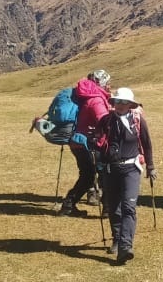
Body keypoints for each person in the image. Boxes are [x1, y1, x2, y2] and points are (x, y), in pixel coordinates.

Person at [94, 87, 156, 265]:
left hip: (131, 168)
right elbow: (97, 143)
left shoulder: (137, 120)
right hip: (110, 169)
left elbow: (147, 143)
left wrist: (150, 166)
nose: (120, 105)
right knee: (114, 208)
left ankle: (125, 246)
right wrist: (93, 144)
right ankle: (117, 238)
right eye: (117, 101)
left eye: (124, 102)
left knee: (129, 207)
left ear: (130, 104)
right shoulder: (105, 121)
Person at [61, 69, 111, 216]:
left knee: (87, 175)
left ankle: (68, 205)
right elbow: (104, 121)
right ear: (101, 83)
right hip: (91, 143)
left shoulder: (84, 96)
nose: (109, 86)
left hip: (77, 142)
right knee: (105, 173)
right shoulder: (96, 99)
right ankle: (108, 208)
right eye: (107, 82)